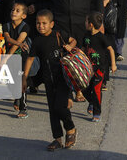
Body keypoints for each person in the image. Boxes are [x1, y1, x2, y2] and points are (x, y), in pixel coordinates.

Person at [22, 10, 77, 151]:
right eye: (38, 23)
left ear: (51, 24)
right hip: (48, 80)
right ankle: (57, 139)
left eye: (44, 23)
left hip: (63, 78)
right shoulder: (37, 41)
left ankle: (70, 129)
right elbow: (30, 58)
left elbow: (73, 40)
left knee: (60, 107)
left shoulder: (58, 34)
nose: (40, 26)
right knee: (52, 111)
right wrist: (24, 77)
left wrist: (70, 46)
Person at [81, 11, 117, 122]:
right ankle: (92, 102)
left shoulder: (102, 37)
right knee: (83, 88)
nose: (85, 23)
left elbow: (110, 50)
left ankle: (97, 112)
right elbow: (83, 48)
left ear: (91, 24)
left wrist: (113, 64)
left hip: (99, 69)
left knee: (96, 90)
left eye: (86, 21)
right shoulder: (86, 35)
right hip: (87, 68)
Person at [3, 2, 31, 119]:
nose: (14, 12)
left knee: (21, 81)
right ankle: (16, 97)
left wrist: (6, 57)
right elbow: (8, 38)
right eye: (13, 9)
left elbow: (15, 44)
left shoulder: (25, 27)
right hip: (10, 58)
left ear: (23, 16)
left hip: (21, 58)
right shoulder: (6, 25)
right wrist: (19, 44)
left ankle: (23, 108)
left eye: (17, 10)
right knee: (10, 82)